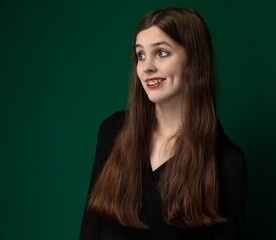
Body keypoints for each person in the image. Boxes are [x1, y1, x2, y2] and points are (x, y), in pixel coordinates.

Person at [78, 7, 247, 240]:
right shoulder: (113, 130)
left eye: (162, 53)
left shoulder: (227, 163)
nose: (147, 67)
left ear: (193, 59)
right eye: (141, 55)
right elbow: (90, 230)